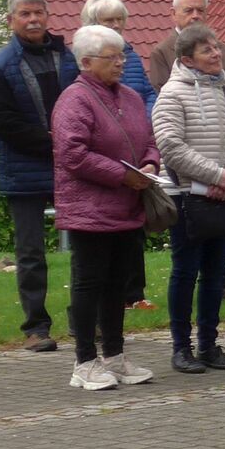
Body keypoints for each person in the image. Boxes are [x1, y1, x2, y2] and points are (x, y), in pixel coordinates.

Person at [52, 24, 160, 390]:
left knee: (117, 284)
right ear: (85, 62)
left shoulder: (130, 97)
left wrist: (150, 164)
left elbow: (148, 139)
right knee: (89, 283)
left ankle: (114, 355)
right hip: (90, 209)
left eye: (122, 56)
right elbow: (72, 153)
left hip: (127, 206)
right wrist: (121, 175)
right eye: (111, 57)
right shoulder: (74, 99)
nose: (120, 63)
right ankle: (84, 362)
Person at [151, 24, 225, 373]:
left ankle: (209, 344)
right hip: (186, 196)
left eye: (216, 46)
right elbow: (170, 146)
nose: (216, 53)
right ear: (187, 59)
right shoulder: (172, 94)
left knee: (215, 274)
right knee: (185, 271)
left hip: (224, 194)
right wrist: (215, 175)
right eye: (206, 49)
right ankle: (181, 348)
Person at [0, 0, 78, 352]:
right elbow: (2, 123)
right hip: (24, 171)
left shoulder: (67, 58)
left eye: (38, 12)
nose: (33, 19)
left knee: (85, 245)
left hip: (70, 166)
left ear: (48, 16)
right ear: (11, 20)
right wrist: (52, 141)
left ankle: (83, 320)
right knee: (31, 253)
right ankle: (36, 328)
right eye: (25, 13)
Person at [146, 0, 225, 89]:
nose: (195, 16)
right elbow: (161, 91)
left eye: (200, 10)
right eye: (189, 11)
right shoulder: (162, 52)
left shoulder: (222, 49)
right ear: (173, 14)